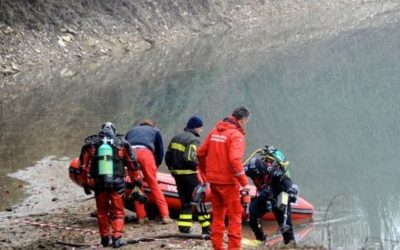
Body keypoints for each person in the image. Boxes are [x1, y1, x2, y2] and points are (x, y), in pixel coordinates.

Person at [79, 122, 141, 248]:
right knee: (118, 211)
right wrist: (137, 182)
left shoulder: (92, 144)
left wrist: (85, 184)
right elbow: (132, 164)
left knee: (102, 211)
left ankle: (104, 238)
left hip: (100, 183)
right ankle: (117, 238)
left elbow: (83, 167)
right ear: (114, 131)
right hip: (117, 182)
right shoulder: (122, 143)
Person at [197, 106, 251, 250]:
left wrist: (206, 171)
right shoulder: (236, 136)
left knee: (218, 216)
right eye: (246, 121)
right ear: (243, 120)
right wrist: (244, 183)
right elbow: (234, 160)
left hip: (214, 181)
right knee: (235, 216)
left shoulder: (215, 131)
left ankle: (217, 247)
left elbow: (200, 153)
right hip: (228, 183)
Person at [165, 116, 211, 235]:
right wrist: (198, 164)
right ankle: (207, 228)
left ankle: (184, 228)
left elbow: (168, 156)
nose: (201, 130)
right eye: (200, 128)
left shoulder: (176, 138)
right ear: (196, 127)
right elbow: (189, 158)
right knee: (199, 200)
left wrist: (172, 169)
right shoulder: (193, 140)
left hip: (177, 175)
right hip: (189, 175)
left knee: (185, 202)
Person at [244, 146, 298, 245]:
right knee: (253, 214)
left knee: (284, 223)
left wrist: (291, 191)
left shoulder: (275, 172)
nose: (256, 177)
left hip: (279, 196)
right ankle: (260, 240)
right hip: (265, 195)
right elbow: (237, 171)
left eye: (258, 175)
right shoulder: (249, 170)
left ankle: (290, 243)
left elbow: (287, 181)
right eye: (254, 175)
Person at [125, 119, 172, 224]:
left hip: (130, 154)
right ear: (152, 125)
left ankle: (141, 217)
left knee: (136, 186)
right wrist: (156, 166)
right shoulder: (155, 131)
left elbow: (124, 146)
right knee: (153, 184)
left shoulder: (131, 131)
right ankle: (165, 216)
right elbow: (160, 151)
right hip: (145, 153)